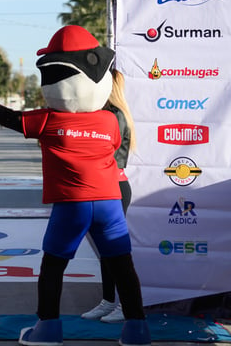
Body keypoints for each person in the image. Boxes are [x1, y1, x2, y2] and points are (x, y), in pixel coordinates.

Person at [0, 25, 150, 346]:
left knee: (53, 267)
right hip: (109, 202)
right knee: (123, 267)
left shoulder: (48, 119)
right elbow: (116, 146)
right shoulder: (110, 120)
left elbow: (8, 118)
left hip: (71, 205)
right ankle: (137, 331)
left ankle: (48, 329)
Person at [81, 69, 135, 324]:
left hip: (114, 187)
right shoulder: (107, 114)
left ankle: (125, 305)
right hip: (102, 187)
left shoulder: (114, 116)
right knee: (106, 251)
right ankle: (108, 301)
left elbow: (102, 151)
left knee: (115, 251)